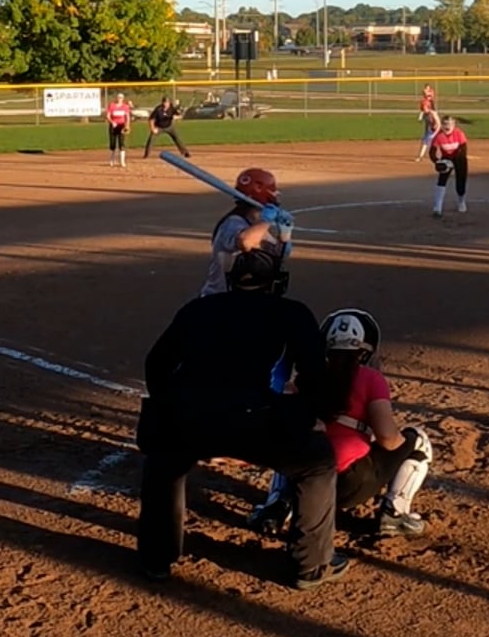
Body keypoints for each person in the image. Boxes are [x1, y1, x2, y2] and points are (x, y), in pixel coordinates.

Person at [135, 248, 349, 589]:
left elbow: (157, 364)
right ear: (276, 282)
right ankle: (311, 566)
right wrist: (310, 416)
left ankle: (156, 558)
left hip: (191, 418)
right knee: (317, 462)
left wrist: (171, 407)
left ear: (231, 280)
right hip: (257, 421)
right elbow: (314, 376)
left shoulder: (197, 309)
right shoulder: (292, 313)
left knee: (164, 459)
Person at [317, 309, 431, 536]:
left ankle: (277, 505)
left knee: (294, 444)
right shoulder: (370, 378)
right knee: (418, 440)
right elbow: (388, 439)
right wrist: (400, 444)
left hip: (305, 480)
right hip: (351, 483)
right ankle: (394, 514)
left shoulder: (309, 375)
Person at [202, 168, 290, 298]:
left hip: (248, 297)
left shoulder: (256, 225)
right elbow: (246, 243)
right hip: (219, 299)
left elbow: (277, 255)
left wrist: (284, 236)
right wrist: (266, 221)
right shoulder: (233, 223)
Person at [428, 114, 469, 218]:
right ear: (441, 125)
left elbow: (463, 149)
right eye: (445, 124)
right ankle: (437, 208)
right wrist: (437, 162)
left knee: (461, 180)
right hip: (446, 158)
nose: (447, 126)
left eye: (450, 124)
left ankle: (461, 201)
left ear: (454, 125)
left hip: (459, 158)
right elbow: (432, 152)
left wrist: (455, 160)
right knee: (441, 181)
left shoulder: (459, 133)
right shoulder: (439, 136)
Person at [412, 85, 441, 162]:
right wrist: (420, 117)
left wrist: (434, 134)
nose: (424, 108)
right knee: (425, 140)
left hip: (436, 128)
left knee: (441, 140)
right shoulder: (425, 111)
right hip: (430, 127)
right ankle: (420, 157)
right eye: (423, 107)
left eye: (425, 107)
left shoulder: (433, 113)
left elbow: (439, 124)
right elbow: (422, 111)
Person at [105, 92, 134, 167]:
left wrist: (127, 126)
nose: (119, 99)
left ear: (123, 99)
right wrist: (112, 122)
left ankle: (122, 161)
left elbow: (127, 117)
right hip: (113, 126)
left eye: (121, 98)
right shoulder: (112, 105)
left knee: (122, 143)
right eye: (118, 97)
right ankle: (112, 160)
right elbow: (108, 116)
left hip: (122, 126)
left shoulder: (125, 106)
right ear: (116, 98)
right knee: (112, 143)